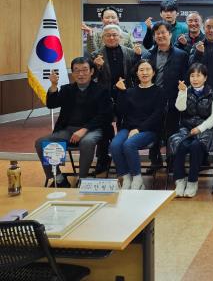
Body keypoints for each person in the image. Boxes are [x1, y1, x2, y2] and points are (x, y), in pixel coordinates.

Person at [36, 57, 113, 187]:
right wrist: (54, 85)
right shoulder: (67, 89)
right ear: (72, 73)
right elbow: (51, 104)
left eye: (84, 70)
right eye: (76, 70)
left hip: (93, 129)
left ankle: (82, 179)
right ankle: (58, 178)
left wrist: (84, 129)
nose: (81, 74)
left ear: (92, 71)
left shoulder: (102, 90)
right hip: (68, 130)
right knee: (41, 143)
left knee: (87, 142)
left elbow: (105, 115)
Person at [91, 24, 143, 173]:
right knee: (104, 128)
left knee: (124, 126)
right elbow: (91, 78)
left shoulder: (130, 52)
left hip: (125, 95)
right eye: (108, 35)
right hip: (104, 97)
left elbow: (136, 74)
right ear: (103, 38)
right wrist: (97, 67)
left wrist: (138, 57)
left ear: (120, 37)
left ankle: (125, 157)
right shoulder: (95, 55)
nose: (112, 37)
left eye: (115, 35)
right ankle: (103, 159)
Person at [169, 63, 213, 198]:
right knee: (180, 144)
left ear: (205, 77)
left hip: (206, 130)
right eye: (192, 76)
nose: (195, 79)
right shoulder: (185, 90)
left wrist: (200, 128)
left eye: (198, 75)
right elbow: (180, 108)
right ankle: (180, 180)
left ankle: (192, 181)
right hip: (186, 129)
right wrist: (182, 93)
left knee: (195, 146)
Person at [111, 60, 165, 190]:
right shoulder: (130, 91)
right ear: (136, 73)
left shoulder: (159, 92)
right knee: (115, 145)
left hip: (150, 130)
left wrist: (139, 129)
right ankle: (126, 177)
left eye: (148, 69)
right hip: (129, 128)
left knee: (129, 144)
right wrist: (121, 92)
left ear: (153, 73)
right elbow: (121, 111)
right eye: (141, 70)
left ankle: (137, 178)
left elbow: (157, 115)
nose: (144, 73)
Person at [146, 22, 188, 168]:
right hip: (152, 99)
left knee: (172, 131)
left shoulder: (181, 55)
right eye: (157, 33)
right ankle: (155, 161)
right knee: (153, 129)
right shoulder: (148, 55)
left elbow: (185, 77)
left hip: (172, 99)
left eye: (163, 32)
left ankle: (172, 162)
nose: (161, 35)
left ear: (170, 34)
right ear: (154, 36)